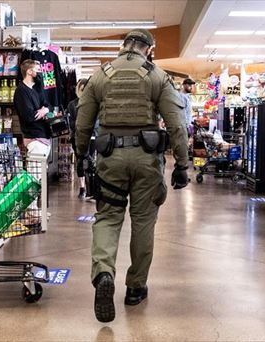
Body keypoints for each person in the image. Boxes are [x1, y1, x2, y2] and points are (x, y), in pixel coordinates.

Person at [75, 28, 189, 323]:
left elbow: (83, 122)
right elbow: (177, 125)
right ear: (148, 49)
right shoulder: (157, 76)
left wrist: (81, 156)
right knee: (142, 222)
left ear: (123, 46)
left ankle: (103, 273)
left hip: (109, 158)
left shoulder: (101, 74)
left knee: (108, 218)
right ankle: (135, 287)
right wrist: (182, 164)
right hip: (146, 161)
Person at [14, 59, 52, 178]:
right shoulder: (21, 91)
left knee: (40, 175)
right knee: (35, 176)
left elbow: (47, 105)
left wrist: (45, 110)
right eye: (38, 70)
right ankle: (34, 197)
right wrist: (42, 111)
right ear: (30, 71)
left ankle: (39, 197)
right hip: (34, 139)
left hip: (43, 137)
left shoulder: (36, 89)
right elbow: (29, 116)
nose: (40, 73)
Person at [67, 78, 92, 199]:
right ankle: (83, 187)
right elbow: (71, 122)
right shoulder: (72, 104)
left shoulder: (94, 103)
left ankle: (90, 186)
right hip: (77, 137)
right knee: (81, 161)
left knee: (91, 161)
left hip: (92, 137)